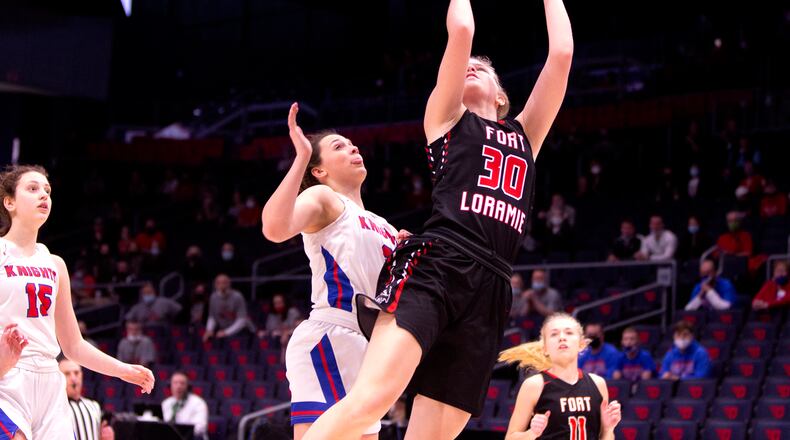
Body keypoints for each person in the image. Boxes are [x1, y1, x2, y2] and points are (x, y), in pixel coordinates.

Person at [304, 0, 573, 438]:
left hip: (492, 289)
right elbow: (462, 26)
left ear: (502, 94)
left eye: (482, 67)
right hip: (440, 266)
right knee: (371, 401)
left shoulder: (526, 133)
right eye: (463, 65)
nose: (470, 66)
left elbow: (561, 56)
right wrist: (461, 43)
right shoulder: (446, 118)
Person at [261, 104, 400, 439]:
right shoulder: (324, 198)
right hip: (330, 335)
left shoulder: (390, 229)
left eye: (353, 143)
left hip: (370, 350)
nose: (352, 147)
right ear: (320, 171)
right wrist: (301, 158)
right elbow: (274, 228)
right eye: (339, 146)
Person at [0, 165, 153, 440]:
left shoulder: (55, 264)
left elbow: (73, 345)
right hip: (7, 377)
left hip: (49, 380)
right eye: (33, 189)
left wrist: (123, 370)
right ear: (9, 201)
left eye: (47, 190)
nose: (43, 195)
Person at [500, 313, 621, 440]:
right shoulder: (534, 385)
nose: (562, 337)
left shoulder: (598, 383)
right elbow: (510, 437)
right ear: (545, 348)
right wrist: (532, 433)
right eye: (554, 334)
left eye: (569, 333)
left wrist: (609, 429)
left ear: (581, 344)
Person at [59, 358, 114, 440]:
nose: (73, 378)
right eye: (67, 374)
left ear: (81, 375)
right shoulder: (55, 408)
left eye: (76, 373)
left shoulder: (94, 405)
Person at [203, 274, 253, 341]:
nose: (221, 285)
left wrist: (226, 332)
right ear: (215, 285)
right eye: (218, 283)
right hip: (223, 329)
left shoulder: (237, 296)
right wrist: (209, 330)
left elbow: (242, 320)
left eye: (224, 283)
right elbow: (212, 317)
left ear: (229, 284)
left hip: (242, 330)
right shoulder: (213, 297)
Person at [161, 371, 208, 440]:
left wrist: (180, 432)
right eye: (175, 383)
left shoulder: (198, 403)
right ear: (170, 385)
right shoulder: (166, 403)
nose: (178, 386)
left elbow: (200, 428)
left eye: (182, 383)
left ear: (188, 386)